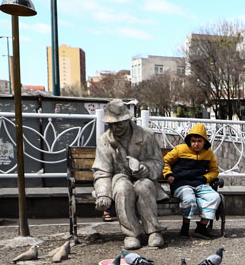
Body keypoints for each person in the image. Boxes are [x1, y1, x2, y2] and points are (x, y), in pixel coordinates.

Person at [92, 99, 167, 250]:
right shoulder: (104, 140)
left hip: (144, 178)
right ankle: (132, 234)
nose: (115, 127)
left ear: (128, 120)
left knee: (144, 187)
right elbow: (102, 171)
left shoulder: (147, 136)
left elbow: (158, 163)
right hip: (119, 176)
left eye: (119, 123)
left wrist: (146, 168)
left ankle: (154, 231)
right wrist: (103, 194)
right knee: (122, 188)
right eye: (111, 124)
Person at [163, 123, 221, 238]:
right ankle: (185, 227)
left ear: (205, 142)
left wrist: (205, 178)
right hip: (181, 184)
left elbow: (214, 171)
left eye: (199, 141)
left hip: (199, 183)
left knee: (215, 197)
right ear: (189, 140)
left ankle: (201, 228)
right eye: (193, 140)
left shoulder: (208, 153)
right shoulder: (180, 149)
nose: (196, 144)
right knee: (189, 199)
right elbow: (165, 161)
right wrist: (168, 174)